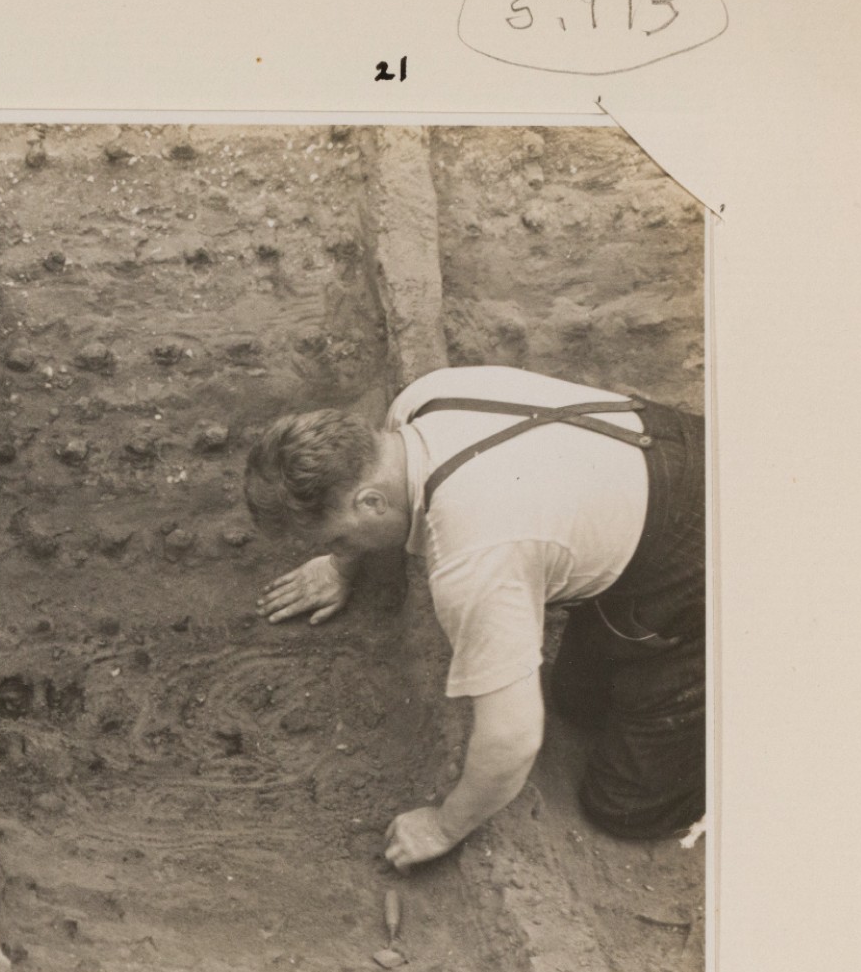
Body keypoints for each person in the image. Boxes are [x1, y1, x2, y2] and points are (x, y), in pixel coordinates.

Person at [246, 364, 705, 866]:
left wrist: (444, 826)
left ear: (371, 502)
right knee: (578, 700)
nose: (340, 549)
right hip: (676, 454)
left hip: (716, 562)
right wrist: (339, 566)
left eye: (338, 538)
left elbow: (513, 738)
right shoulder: (422, 404)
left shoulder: (472, 556)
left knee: (625, 807)